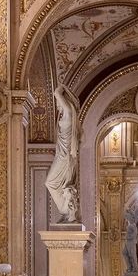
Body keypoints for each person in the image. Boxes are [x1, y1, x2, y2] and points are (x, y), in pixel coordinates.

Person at [45, 84, 80, 222]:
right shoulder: (69, 117)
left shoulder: (69, 115)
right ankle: (67, 211)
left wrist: (60, 90)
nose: (58, 106)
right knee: (58, 185)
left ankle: (66, 210)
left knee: (50, 183)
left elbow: (57, 94)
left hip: (64, 158)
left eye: (59, 103)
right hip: (63, 156)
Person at [122, 209, 138, 274]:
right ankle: (129, 267)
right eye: (126, 217)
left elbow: (134, 234)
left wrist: (127, 237)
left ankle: (135, 268)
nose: (127, 218)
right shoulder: (129, 225)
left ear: (131, 217)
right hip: (127, 242)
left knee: (132, 255)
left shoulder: (133, 225)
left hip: (131, 242)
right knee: (124, 253)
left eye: (127, 217)